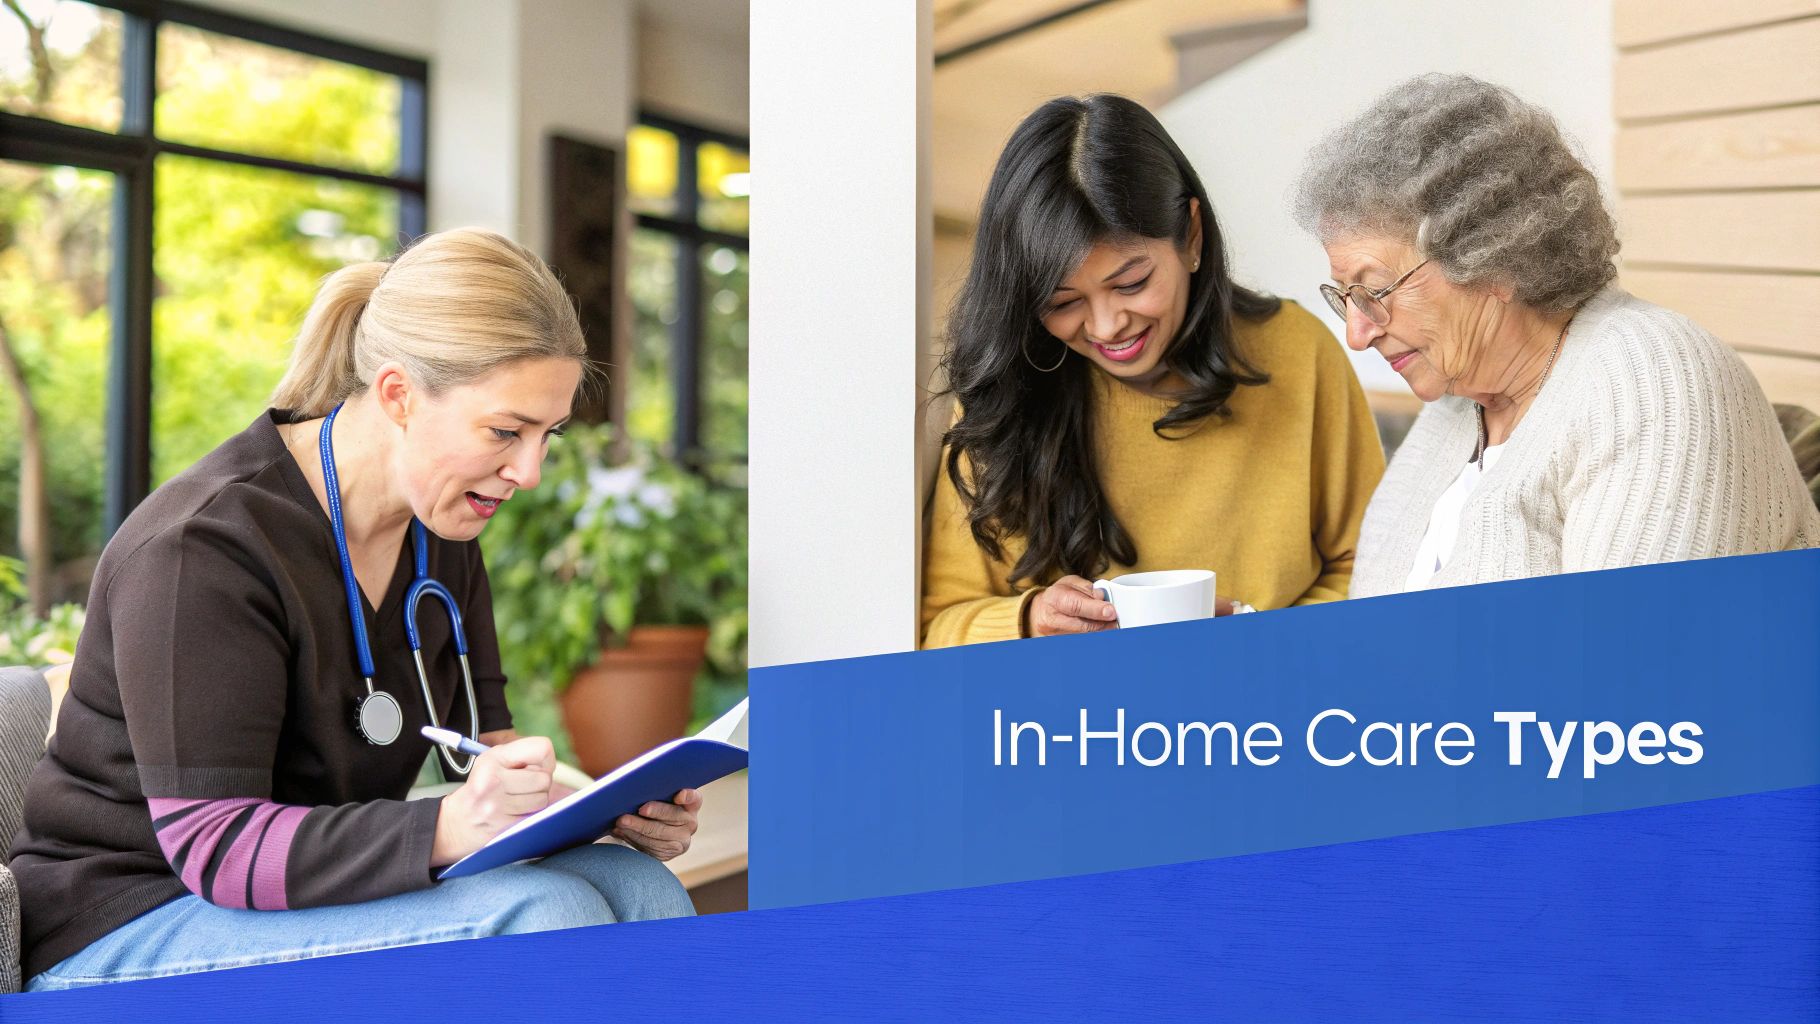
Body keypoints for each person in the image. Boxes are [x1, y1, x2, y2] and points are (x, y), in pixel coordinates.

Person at [10, 228, 701, 991]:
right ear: (399, 394)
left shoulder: (440, 532)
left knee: (637, 885)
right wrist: (452, 824)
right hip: (126, 921)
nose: (529, 471)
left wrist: (608, 810)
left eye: (548, 435)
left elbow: (485, 753)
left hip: (303, 899)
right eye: (505, 431)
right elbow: (218, 847)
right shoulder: (203, 548)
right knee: (543, 911)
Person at [1290, 74, 1820, 597]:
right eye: (1345, 297)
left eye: (1375, 291)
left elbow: (1638, 642)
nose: (1357, 334)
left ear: (1492, 257)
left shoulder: (1652, 380)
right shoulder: (1455, 406)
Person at [920, 95, 1385, 648]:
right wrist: (1031, 620)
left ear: (1191, 236)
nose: (1107, 325)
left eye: (1131, 283)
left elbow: (1375, 569)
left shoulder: (1297, 351)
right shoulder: (1003, 398)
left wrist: (1255, 639)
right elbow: (937, 626)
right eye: (1062, 302)